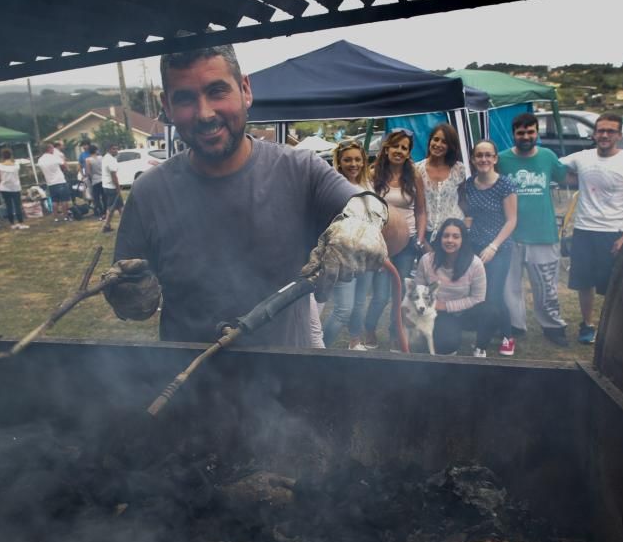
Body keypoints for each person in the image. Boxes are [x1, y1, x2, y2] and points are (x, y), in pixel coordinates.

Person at [101, 44, 388, 348]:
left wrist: (364, 223)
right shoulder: (149, 192)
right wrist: (130, 297)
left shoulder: (300, 171)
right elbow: (130, 297)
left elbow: (392, 234)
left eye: (217, 91)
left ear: (245, 90)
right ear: (167, 107)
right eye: (185, 98)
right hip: (188, 384)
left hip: (287, 382)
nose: (205, 113)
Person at [560, 113, 623, 344]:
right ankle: (587, 326)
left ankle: (615, 328)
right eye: (601, 131)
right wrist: (571, 179)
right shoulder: (582, 157)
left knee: (614, 285)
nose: (605, 135)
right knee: (584, 283)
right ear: (594, 134)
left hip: (614, 232)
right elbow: (555, 168)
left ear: (619, 135)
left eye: (610, 131)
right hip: (583, 230)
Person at [498, 113, 569, 347]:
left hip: (543, 233)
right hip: (511, 234)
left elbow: (564, 174)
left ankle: (552, 326)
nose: (526, 137)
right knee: (510, 286)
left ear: (536, 133)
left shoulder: (548, 157)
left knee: (546, 285)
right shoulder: (502, 160)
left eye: (530, 132)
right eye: (521, 133)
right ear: (514, 134)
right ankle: (516, 325)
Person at [363, 128, 427, 351]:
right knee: (380, 294)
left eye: (404, 148)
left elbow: (421, 211)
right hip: (382, 245)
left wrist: (419, 239)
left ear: (409, 152)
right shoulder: (373, 174)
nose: (399, 151)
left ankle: (394, 333)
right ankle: (369, 328)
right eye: (396, 146)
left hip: (407, 244)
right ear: (386, 148)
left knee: (400, 294)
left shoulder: (415, 175)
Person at [459, 140, 518, 356]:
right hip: (474, 246)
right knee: (482, 294)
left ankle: (485, 344)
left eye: (488, 155)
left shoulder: (505, 185)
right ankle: (504, 332)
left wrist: (493, 246)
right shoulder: (468, 184)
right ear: (473, 159)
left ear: (495, 159)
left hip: (499, 248)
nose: (483, 159)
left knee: (492, 295)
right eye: (479, 155)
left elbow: (512, 220)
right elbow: (469, 216)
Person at [413, 218, 498, 357]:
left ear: (463, 239)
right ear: (440, 238)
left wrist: (446, 306)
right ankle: (445, 338)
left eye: (456, 236)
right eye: (446, 236)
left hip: (465, 311)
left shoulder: (475, 263)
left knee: (492, 312)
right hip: (439, 313)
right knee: (447, 344)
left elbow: (478, 298)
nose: (450, 240)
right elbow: (418, 290)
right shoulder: (427, 261)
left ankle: (480, 348)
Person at [322, 140, 374, 350]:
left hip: (367, 254)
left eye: (357, 159)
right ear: (339, 162)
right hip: (344, 257)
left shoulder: (367, 185)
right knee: (343, 308)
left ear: (363, 161)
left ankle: (355, 341)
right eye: (348, 160)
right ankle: (320, 348)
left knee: (360, 303)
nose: (353, 164)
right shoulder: (332, 186)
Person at [415, 123, 466, 245]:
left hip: (453, 233)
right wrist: (421, 240)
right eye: (436, 139)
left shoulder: (459, 169)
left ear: (450, 146)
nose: (438, 144)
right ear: (430, 141)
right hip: (426, 232)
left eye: (444, 142)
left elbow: (463, 199)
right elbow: (415, 207)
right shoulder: (417, 169)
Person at [0, 148, 29, 230]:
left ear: (2, 156)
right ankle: (20, 223)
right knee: (17, 205)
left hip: (4, 188)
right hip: (15, 187)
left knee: (8, 206)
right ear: (11, 155)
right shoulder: (16, 165)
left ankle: (12, 223)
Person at [38, 143, 71, 222]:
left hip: (50, 182)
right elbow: (64, 166)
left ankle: (55, 217)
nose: (53, 150)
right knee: (64, 200)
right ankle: (65, 216)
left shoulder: (40, 160)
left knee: (54, 201)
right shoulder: (54, 157)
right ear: (49, 149)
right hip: (60, 180)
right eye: (52, 148)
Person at [100, 144, 122, 232]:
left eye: (117, 148)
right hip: (111, 187)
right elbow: (113, 175)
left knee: (119, 207)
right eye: (114, 149)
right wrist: (118, 188)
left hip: (107, 185)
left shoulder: (107, 158)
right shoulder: (109, 159)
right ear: (109, 149)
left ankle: (107, 225)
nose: (116, 150)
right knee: (112, 208)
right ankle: (106, 226)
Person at [84, 144, 105, 219]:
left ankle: (100, 211)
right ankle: (105, 211)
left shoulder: (88, 160)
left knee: (96, 198)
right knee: (104, 196)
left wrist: (89, 177)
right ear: (96, 150)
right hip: (103, 179)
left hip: (95, 180)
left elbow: (88, 172)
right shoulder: (101, 158)